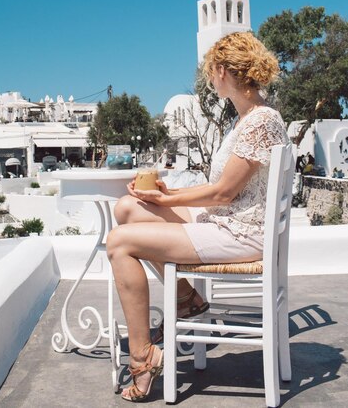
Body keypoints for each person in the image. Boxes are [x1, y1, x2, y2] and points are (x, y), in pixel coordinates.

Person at [106, 31, 289, 402]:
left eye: (210, 72)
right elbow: (222, 189)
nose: (209, 79)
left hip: (239, 234)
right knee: (127, 208)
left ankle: (143, 357)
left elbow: (223, 191)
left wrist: (168, 195)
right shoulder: (247, 119)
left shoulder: (259, 121)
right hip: (226, 221)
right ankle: (186, 299)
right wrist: (166, 195)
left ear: (223, 71)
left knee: (119, 243)